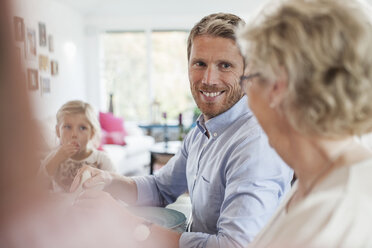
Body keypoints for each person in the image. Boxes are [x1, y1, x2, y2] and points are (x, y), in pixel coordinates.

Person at [71, 13, 293, 248]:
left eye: (225, 65)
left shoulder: (256, 144)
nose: (209, 79)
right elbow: (161, 188)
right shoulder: (201, 131)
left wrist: (126, 222)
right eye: (200, 63)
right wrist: (109, 181)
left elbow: (234, 246)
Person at [236, 0, 372, 246]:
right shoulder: (315, 180)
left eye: (249, 77)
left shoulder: (335, 218)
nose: (246, 93)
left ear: (278, 85)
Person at [40, 100, 115, 192]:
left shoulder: (101, 159)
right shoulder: (54, 156)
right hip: (60, 205)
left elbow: (115, 187)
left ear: (91, 133)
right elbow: (38, 186)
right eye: (67, 127)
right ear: (58, 131)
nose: (74, 134)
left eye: (82, 128)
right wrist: (57, 159)